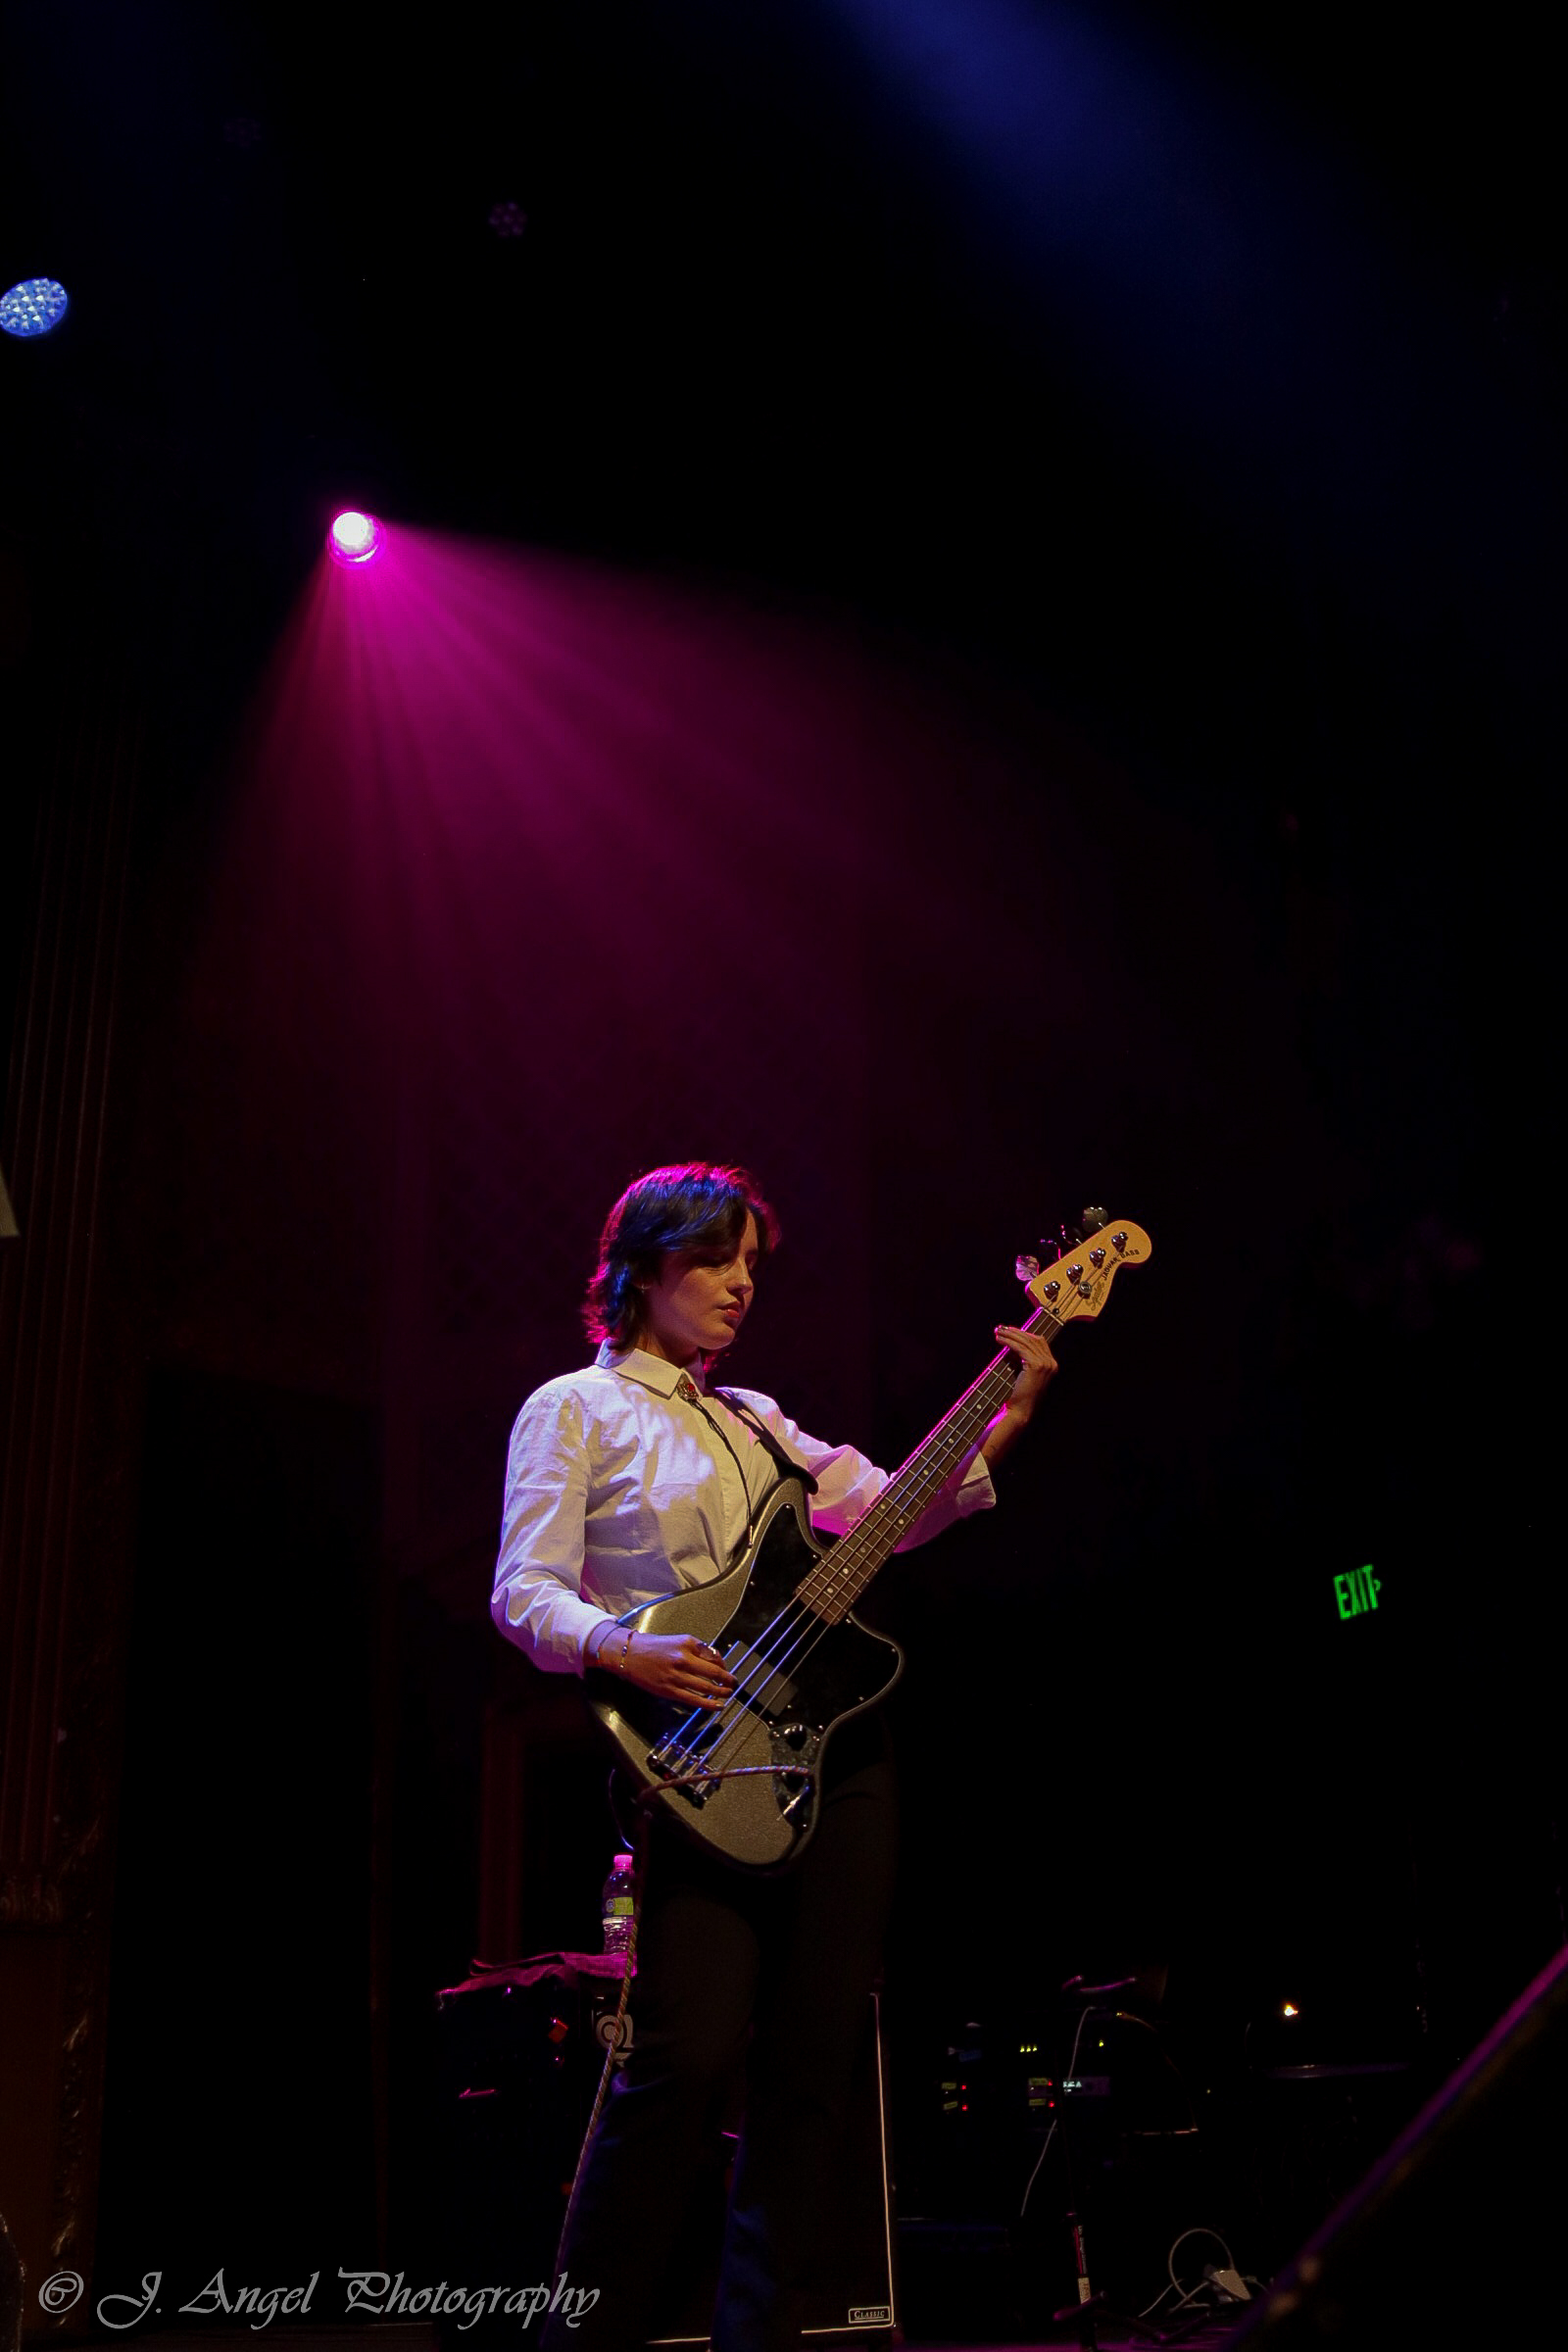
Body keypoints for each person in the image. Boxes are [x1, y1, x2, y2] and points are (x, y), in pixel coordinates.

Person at [492, 1162, 1056, 2352]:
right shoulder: (574, 1407)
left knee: (813, 2068)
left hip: (833, 1753)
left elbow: (890, 1511)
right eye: (716, 1258)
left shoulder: (756, 1417)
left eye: (751, 1262)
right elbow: (524, 1590)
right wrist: (621, 1647)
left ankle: (766, 2339)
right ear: (642, 1268)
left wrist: (1007, 1410)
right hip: (697, 1761)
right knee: (685, 2057)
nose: (742, 1282)